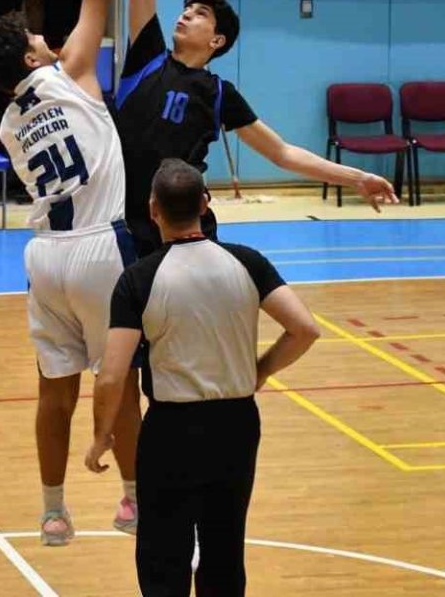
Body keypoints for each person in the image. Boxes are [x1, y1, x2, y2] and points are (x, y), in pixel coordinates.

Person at [0, 0, 154, 546]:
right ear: (31, 55)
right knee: (122, 381)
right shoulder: (71, 73)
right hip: (103, 249)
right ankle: (132, 500)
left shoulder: (7, 124)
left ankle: (53, 511)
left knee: (55, 390)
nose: (47, 36)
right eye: (37, 36)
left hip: (45, 257)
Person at [85, 160, 319, 597]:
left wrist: (102, 436)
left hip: (171, 430)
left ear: (153, 209)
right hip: (237, 425)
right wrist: (261, 370)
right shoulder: (247, 262)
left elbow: (112, 376)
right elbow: (304, 329)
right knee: (224, 549)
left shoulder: (138, 279)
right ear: (205, 204)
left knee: (163, 555)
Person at [116, 0, 397, 254]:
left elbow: (282, 153)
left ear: (217, 40)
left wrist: (356, 177)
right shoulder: (148, 58)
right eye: (187, 9)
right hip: (123, 223)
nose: (186, 14)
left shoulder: (219, 94)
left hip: (185, 228)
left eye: (200, 13)